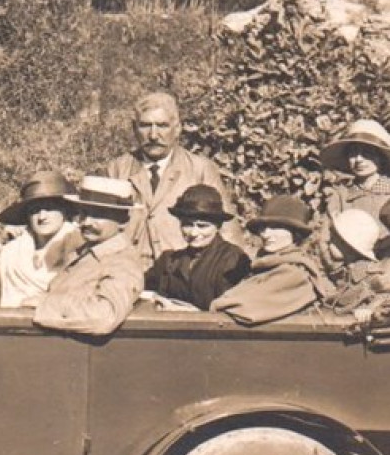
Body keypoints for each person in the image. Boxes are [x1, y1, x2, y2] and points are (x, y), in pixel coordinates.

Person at [105, 92, 237, 266]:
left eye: (162, 126)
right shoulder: (117, 169)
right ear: (134, 128)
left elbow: (227, 230)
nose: (153, 135)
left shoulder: (200, 169)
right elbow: (101, 226)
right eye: (145, 125)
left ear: (177, 129)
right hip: (125, 270)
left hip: (179, 273)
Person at [34, 176, 146, 336]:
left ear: (123, 220)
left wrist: (44, 304)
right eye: (83, 213)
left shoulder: (121, 262)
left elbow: (104, 316)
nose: (86, 222)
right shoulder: (88, 252)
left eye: (98, 214)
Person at [213, 194, 330, 326]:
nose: (266, 234)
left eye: (275, 227)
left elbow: (245, 307)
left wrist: (214, 306)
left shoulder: (296, 274)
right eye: (263, 227)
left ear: (294, 232)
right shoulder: (264, 266)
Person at [0, 171, 83, 308]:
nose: (42, 216)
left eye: (50, 208)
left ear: (64, 211)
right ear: (27, 215)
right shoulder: (10, 253)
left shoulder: (81, 250)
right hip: (11, 324)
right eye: (35, 210)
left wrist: (47, 302)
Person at [142, 184, 251, 311]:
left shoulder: (233, 259)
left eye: (202, 226)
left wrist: (192, 313)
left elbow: (236, 309)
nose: (193, 233)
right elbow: (141, 289)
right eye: (187, 225)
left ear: (218, 226)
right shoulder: (169, 260)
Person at [319, 119, 390, 221]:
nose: (358, 159)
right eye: (353, 153)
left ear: (381, 157)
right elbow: (324, 233)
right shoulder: (341, 196)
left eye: (367, 153)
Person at [324, 208, 390, 312]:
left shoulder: (367, 274)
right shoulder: (345, 271)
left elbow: (388, 294)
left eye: (335, 237)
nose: (329, 240)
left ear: (347, 244)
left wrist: (370, 309)